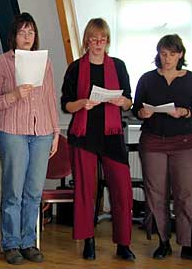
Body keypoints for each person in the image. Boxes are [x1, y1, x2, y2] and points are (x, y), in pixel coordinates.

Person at [0, 12, 59, 265]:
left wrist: (56, 132)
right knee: (14, 192)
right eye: (22, 32)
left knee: (34, 193)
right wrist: (14, 95)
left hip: (42, 134)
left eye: (31, 32)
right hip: (13, 133)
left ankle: (29, 242)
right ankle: (11, 244)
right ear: (14, 36)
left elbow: (50, 99)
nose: (27, 36)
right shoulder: (1, 63)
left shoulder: (46, 62)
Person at [61, 18, 135, 261]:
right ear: (86, 41)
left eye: (102, 39)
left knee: (122, 189)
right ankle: (88, 241)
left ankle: (123, 243)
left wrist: (121, 101)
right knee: (85, 190)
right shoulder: (75, 68)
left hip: (112, 135)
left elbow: (129, 101)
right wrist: (82, 103)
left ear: (108, 41)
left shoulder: (119, 66)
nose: (98, 43)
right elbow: (67, 105)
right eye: (94, 39)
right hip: (84, 135)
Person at [132, 34, 192, 260]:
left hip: (185, 142)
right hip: (153, 142)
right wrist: (142, 113)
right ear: (158, 55)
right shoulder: (147, 79)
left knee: (186, 194)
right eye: (163, 54)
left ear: (181, 55)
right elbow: (136, 108)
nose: (167, 59)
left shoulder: (190, 79)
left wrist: (184, 112)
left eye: (172, 54)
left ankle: (187, 242)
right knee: (156, 194)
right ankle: (163, 241)